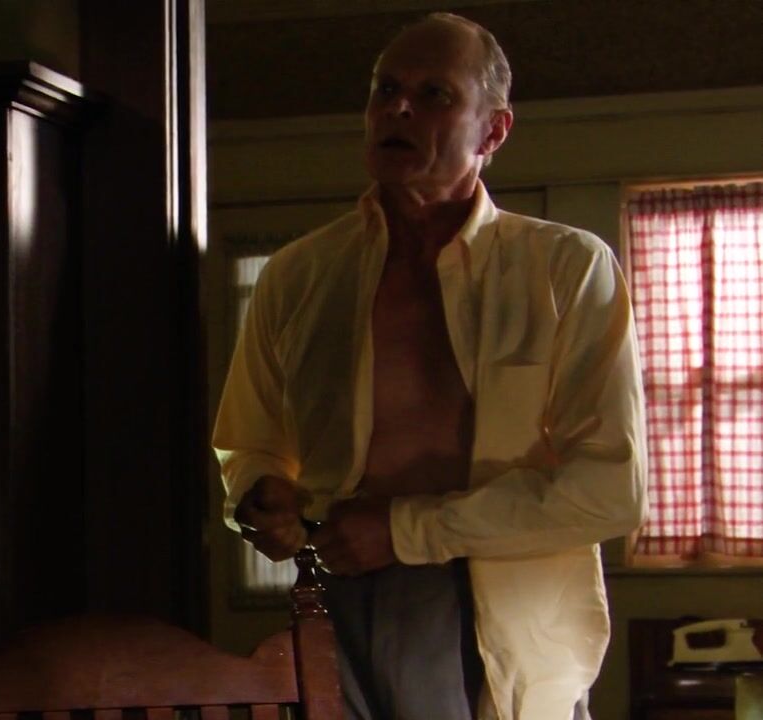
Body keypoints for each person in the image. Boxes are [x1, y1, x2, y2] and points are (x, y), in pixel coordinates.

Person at [212, 12, 647, 720]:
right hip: (339, 597)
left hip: (505, 608)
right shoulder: (299, 274)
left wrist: (405, 530)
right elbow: (248, 442)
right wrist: (263, 495)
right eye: (386, 90)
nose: (399, 109)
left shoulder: (565, 269)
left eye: (434, 94)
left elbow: (609, 490)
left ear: (493, 131)